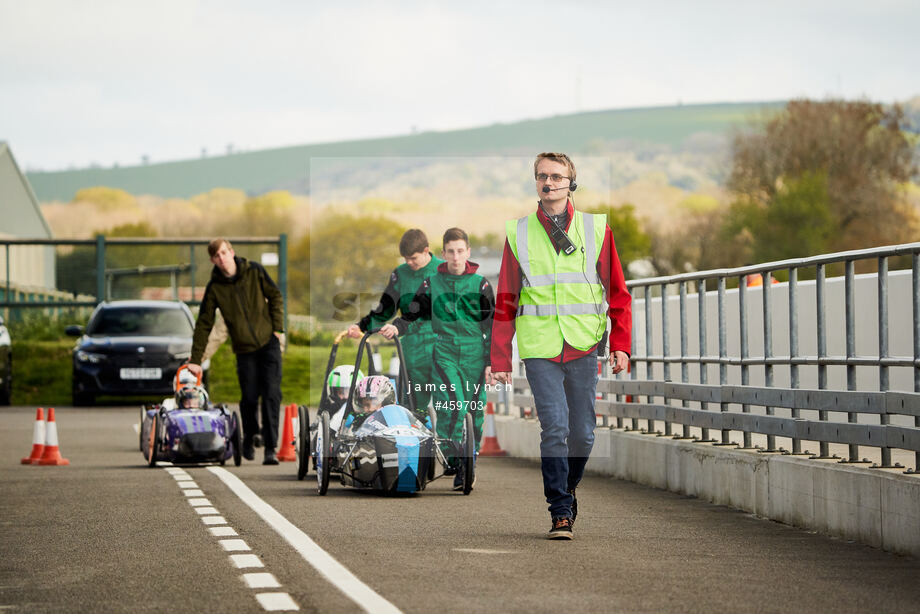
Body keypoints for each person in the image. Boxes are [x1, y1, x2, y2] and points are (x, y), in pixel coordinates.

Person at [489, 153, 632, 540]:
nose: (548, 182)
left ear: (571, 183)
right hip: (540, 348)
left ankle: (567, 488)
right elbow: (505, 300)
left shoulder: (596, 229)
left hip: (584, 343)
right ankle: (560, 511)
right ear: (535, 183)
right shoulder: (518, 233)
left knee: (583, 433)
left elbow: (618, 293)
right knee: (555, 427)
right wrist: (500, 357)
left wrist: (620, 344)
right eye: (541, 176)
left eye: (556, 176)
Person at [380, 227, 495, 491]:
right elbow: (413, 311)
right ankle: (453, 458)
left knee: (475, 413)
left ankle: (469, 461)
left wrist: (491, 361)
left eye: (460, 251)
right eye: (451, 252)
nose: (455, 257)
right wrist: (398, 326)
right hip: (444, 353)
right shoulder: (432, 283)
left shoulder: (481, 285)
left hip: (475, 354)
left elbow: (491, 327)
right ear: (442, 254)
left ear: (468, 252)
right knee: (452, 404)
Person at [187, 238, 285, 465]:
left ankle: (270, 448)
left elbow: (276, 296)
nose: (222, 259)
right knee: (249, 398)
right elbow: (204, 323)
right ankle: (249, 436)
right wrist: (195, 359)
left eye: (224, 253)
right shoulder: (215, 288)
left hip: (268, 343)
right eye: (216, 256)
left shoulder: (255, 271)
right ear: (213, 260)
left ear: (231, 252)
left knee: (271, 394)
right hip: (244, 350)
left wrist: (278, 328)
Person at [346, 229, 443, 414]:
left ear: (426, 251)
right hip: (411, 347)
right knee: (412, 406)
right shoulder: (400, 274)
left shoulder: (443, 271)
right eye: (405, 258)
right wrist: (361, 326)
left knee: (446, 401)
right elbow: (385, 309)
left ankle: (448, 442)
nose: (409, 262)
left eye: (413, 258)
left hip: (441, 344)